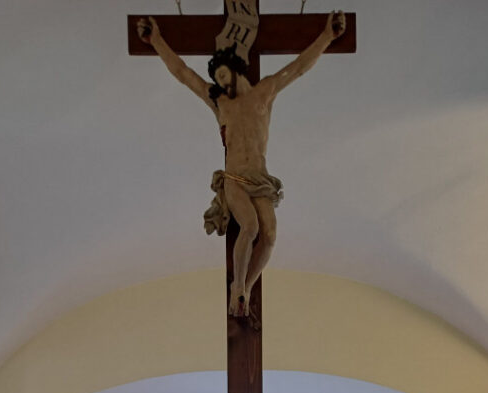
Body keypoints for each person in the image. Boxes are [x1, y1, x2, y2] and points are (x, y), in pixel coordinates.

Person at [137, 11, 345, 318]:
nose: (222, 84)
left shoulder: (266, 91)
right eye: (219, 80)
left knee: (270, 235)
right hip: (234, 177)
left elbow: (299, 67)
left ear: (237, 70)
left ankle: (245, 288)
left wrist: (327, 36)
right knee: (250, 226)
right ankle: (237, 286)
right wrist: (156, 40)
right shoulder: (221, 103)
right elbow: (183, 73)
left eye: (224, 76)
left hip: (260, 178)